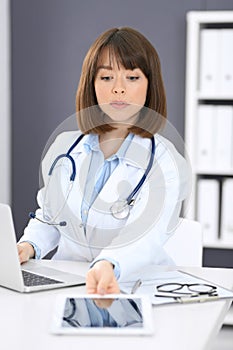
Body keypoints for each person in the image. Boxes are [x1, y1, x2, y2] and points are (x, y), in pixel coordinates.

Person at [17, 27, 189, 295]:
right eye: (106, 77)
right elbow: (51, 216)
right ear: (91, 84)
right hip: (67, 282)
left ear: (150, 86)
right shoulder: (65, 147)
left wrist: (108, 263)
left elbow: (147, 235)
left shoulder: (166, 162)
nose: (118, 89)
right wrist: (27, 246)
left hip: (132, 286)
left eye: (132, 77)